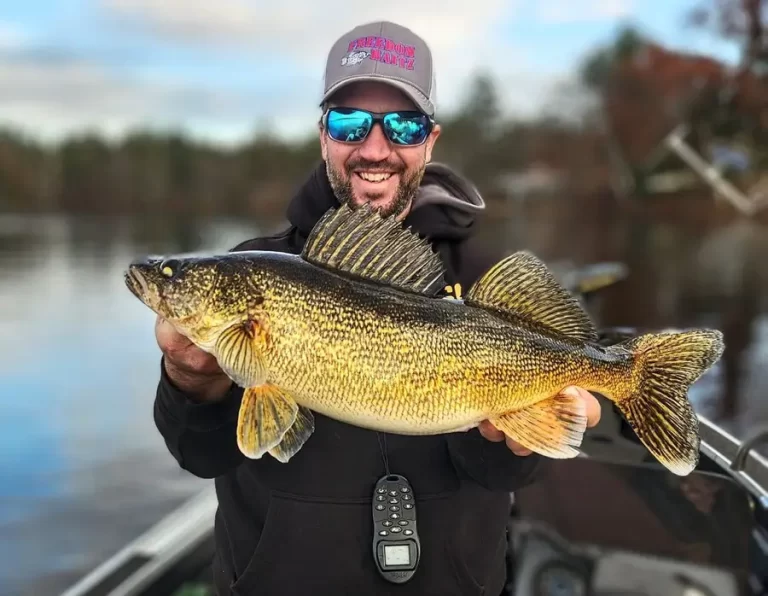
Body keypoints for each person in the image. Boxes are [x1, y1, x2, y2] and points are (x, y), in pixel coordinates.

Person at [152, 20, 601, 596]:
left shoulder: (483, 274)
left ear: (430, 140)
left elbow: (506, 475)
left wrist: (515, 433)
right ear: (323, 136)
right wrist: (190, 384)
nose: (374, 148)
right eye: (349, 122)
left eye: (404, 125)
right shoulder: (256, 267)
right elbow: (199, 453)